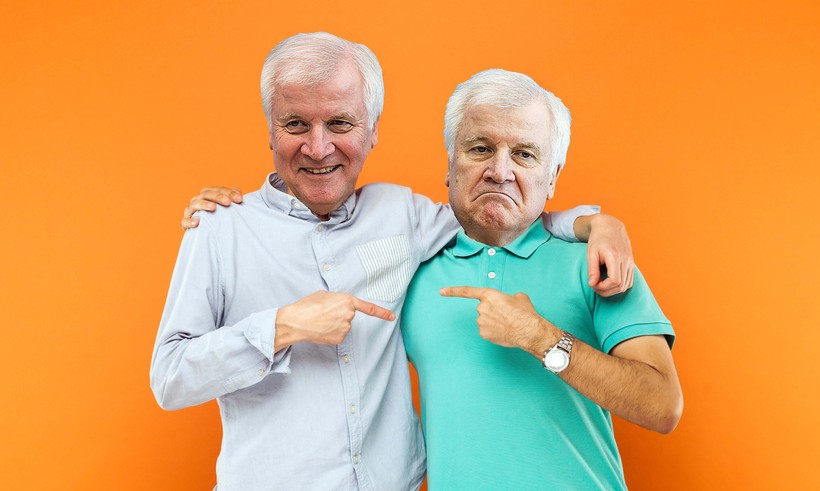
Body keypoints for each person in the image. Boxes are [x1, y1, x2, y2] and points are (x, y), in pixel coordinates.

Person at [151, 32, 635, 490]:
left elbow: (495, 210)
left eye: (340, 123)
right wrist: (282, 326)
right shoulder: (219, 229)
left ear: (373, 129)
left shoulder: (401, 214)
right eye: (296, 124)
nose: (318, 148)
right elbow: (169, 379)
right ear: (271, 130)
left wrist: (596, 223)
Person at [400, 69, 683, 490]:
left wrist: (541, 338)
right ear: (450, 163)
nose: (500, 171)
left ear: (552, 177)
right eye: (480, 148)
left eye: (524, 155)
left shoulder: (596, 264)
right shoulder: (408, 273)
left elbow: (662, 407)